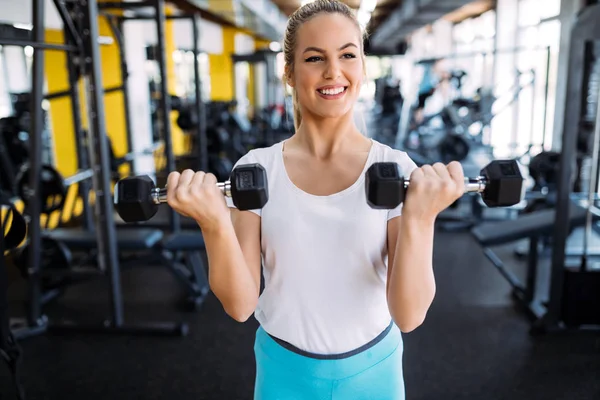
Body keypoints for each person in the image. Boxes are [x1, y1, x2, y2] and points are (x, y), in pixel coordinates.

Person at [166, 1, 465, 398]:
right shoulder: (256, 169)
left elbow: (409, 316)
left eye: (347, 55)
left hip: (373, 373)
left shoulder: (395, 168)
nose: (333, 72)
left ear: (361, 65)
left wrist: (421, 219)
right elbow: (239, 306)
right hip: (283, 372)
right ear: (289, 72)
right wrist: (212, 222)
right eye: (314, 58)